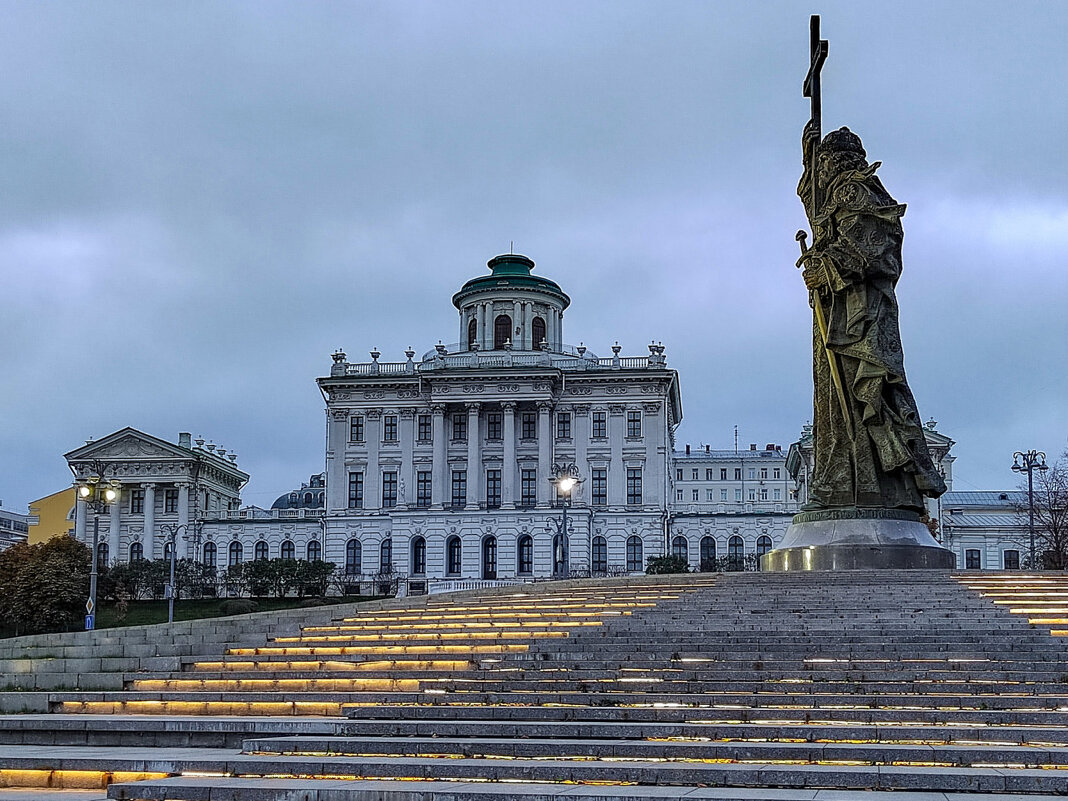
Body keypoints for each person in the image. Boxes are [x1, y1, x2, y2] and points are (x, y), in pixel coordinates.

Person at [796, 124, 945, 513]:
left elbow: (875, 249)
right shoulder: (837, 194)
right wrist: (807, 163)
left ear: (836, 162)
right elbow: (822, 220)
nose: (822, 173)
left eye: (823, 164)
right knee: (836, 402)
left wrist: (826, 265)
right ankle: (843, 482)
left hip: (860, 320)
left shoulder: (855, 191)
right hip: (839, 314)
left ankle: (866, 485)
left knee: (865, 396)